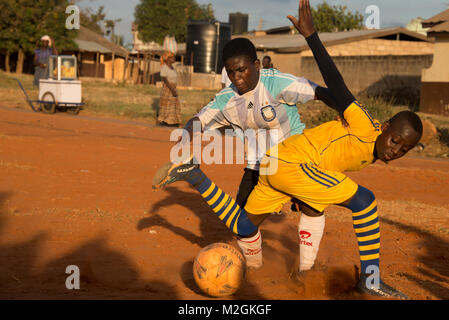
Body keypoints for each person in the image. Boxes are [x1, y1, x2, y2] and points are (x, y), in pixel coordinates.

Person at [152, 0, 423, 299]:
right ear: (384, 127)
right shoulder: (362, 124)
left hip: (275, 164)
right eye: (395, 140)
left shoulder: (280, 85)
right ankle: (370, 282)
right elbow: (337, 85)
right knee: (365, 201)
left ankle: (195, 176)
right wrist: (311, 36)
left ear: (255, 66)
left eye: (404, 148)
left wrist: (338, 108)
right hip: (288, 164)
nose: (396, 149)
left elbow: (323, 94)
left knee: (247, 224)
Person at [158, 51, 181, 127]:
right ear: (167, 59)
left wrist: (174, 89)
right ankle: (164, 121)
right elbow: (165, 80)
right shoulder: (164, 67)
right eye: (172, 57)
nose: (174, 58)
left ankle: (173, 121)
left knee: (173, 105)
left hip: (173, 88)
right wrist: (172, 90)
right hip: (168, 88)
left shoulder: (173, 68)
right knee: (166, 105)